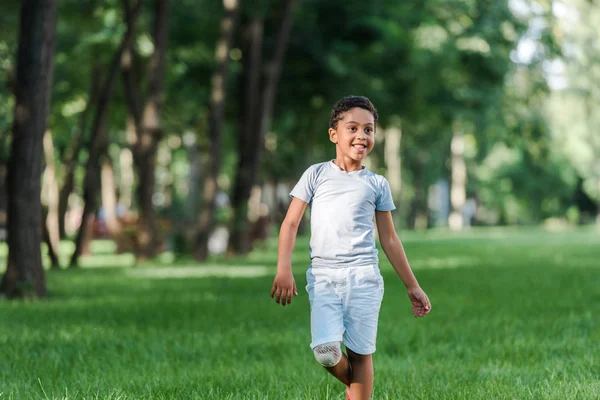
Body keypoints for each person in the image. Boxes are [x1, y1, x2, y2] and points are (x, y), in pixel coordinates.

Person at [270, 95, 432, 400]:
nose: (362, 136)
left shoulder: (377, 184)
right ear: (334, 134)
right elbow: (290, 224)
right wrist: (283, 267)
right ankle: (354, 388)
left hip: (364, 278)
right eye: (353, 128)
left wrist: (412, 285)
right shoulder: (316, 175)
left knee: (361, 353)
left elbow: (390, 239)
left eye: (369, 130)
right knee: (326, 352)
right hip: (324, 277)